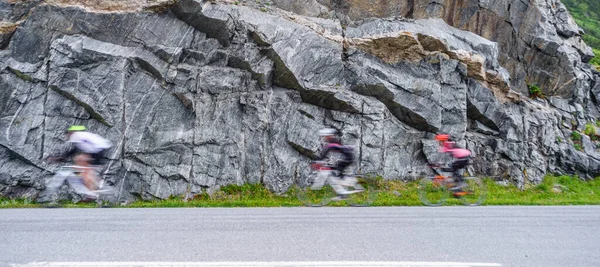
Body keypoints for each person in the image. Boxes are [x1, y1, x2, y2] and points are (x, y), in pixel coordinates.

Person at [48, 125, 112, 199]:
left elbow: (73, 150)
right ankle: (95, 186)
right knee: (81, 161)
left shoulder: (76, 135)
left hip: (97, 151)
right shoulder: (82, 135)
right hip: (98, 150)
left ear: (71, 132)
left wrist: (60, 158)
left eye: (68, 133)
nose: (68, 135)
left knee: (84, 167)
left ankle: (94, 190)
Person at [315, 128, 357, 197]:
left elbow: (325, 153)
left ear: (329, 136)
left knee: (337, 170)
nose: (323, 138)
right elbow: (326, 153)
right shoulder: (333, 141)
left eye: (324, 136)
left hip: (349, 158)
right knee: (334, 170)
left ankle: (344, 189)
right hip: (347, 157)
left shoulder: (332, 143)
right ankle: (342, 191)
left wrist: (319, 161)